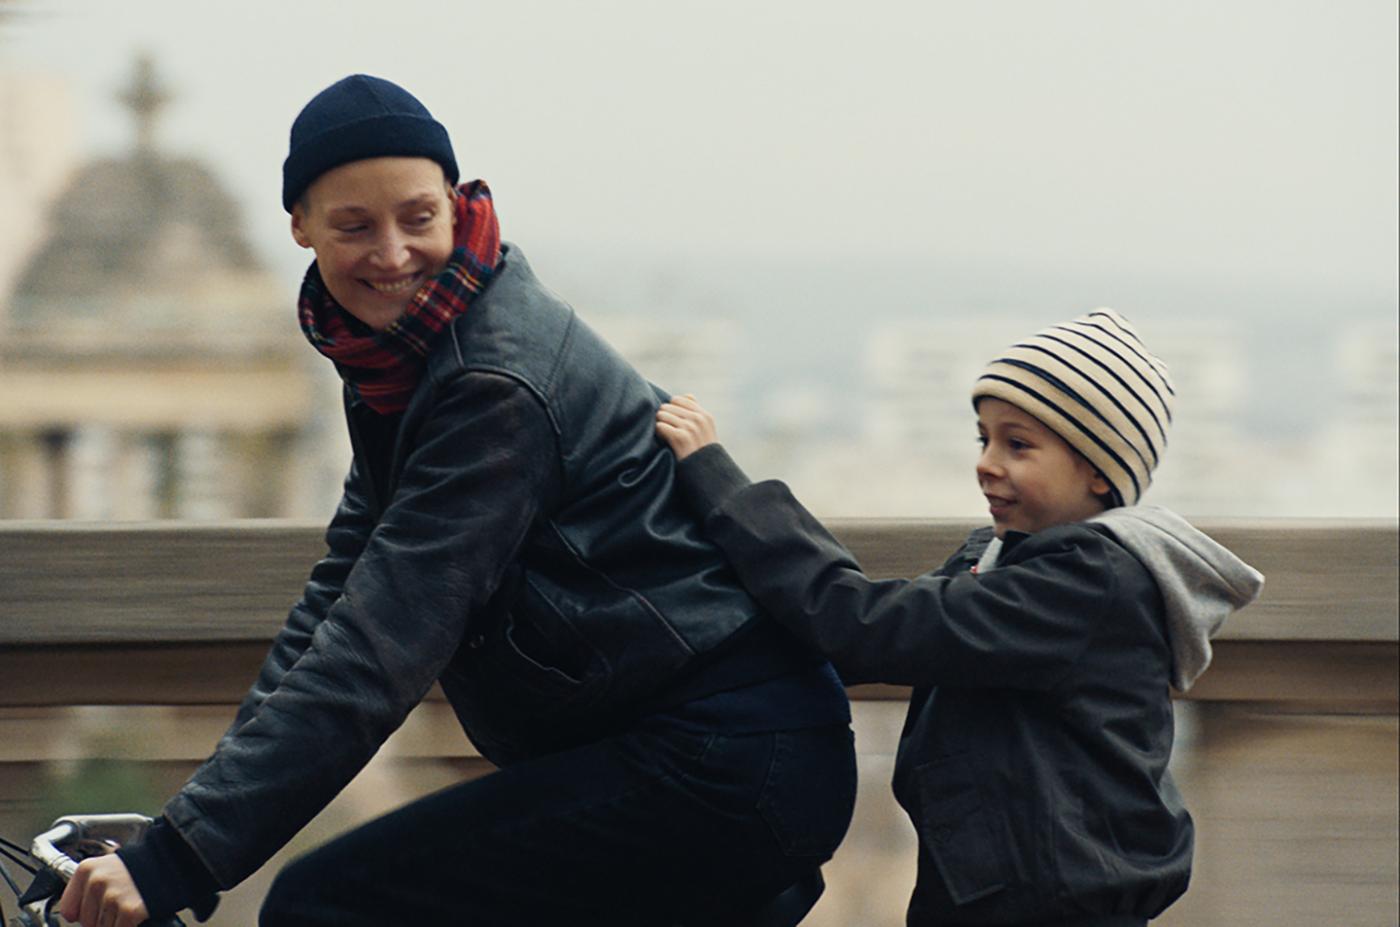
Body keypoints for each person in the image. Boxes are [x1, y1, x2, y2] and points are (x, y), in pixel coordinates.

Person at [58, 74, 856, 927]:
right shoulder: (400, 357)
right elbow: (337, 598)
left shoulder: (491, 383)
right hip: (694, 746)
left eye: (418, 217)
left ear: (457, 199)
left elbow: (383, 642)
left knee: (323, 903)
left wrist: (182, 858)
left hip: (725, 755)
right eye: (355, 227)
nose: (393, 253)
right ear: (301, 228)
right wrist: (187, 832)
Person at [656, 309, 1265, 926]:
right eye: (984, 439)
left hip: (1046, 906)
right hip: (994, 889)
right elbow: (860, 625)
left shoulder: (1084, 586)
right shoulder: (1004, 562)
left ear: (1100, 470)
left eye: (1018, 444)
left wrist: (722, 485)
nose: (987, 462)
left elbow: (868, 626)